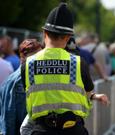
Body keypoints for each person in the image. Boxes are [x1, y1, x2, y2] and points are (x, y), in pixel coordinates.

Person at [20, 3, 109, 135]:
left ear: (44, 33)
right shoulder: (78, 63)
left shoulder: (28, 64)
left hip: (41, 130)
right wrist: (94, 96)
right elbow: (86, 92)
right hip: (73, 130)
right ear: (68, 37)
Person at [0, 39, 43, 135]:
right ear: (23, 57)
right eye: (35, 57)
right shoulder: (17, 81)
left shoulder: (33, 77)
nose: (40, 61)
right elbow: (8, 117)